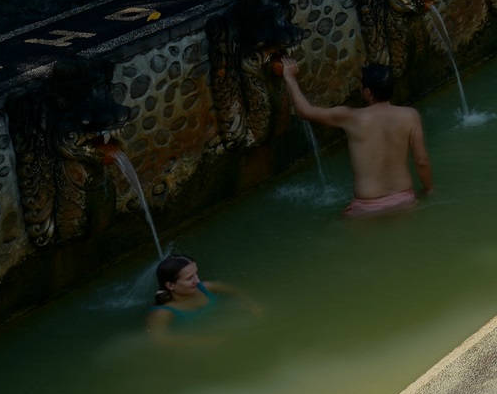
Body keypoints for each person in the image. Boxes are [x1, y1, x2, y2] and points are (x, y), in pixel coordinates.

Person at [275, 58, 431, 218]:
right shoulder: (411, 116)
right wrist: (428, 189)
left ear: (368, 92)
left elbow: (304, 111)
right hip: (404, 200)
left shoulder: (351, 118)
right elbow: (422, 161)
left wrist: (290, 78)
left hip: (367, 207)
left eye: (361, 86)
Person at [146, 252, 251, 336]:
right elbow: (160, 341)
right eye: (189, 278)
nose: (197, 280)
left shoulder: (206, 287)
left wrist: (252, 306)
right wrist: (203, 342)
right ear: (170, 285)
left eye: (196, 273)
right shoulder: (162, 313)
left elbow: (232, 290)